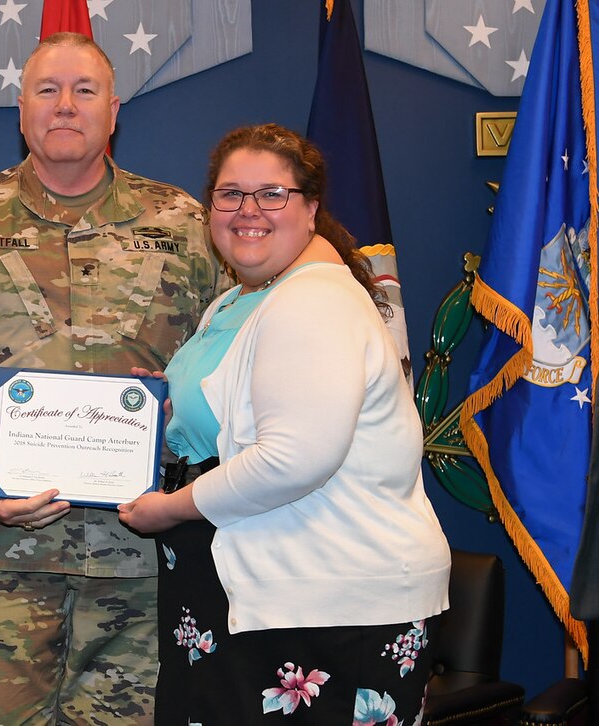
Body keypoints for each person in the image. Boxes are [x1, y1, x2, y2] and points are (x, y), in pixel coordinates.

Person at [0, 32, 226, 725]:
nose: (65, 105)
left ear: (114, 110)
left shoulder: (185, 226)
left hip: (142, 561)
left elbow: (234, 365)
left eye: (84, 90)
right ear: (21, 109)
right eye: (47, 90)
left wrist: (184, 417)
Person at [118, 123, 451, 724]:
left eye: (272, 193)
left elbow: (293, 459)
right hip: (255, 591)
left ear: (311, 209)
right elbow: (228, 416)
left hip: (326, 606)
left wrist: (167, 509)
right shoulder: (241, 299)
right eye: (229, 194)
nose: (249, 210)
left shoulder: (313, 301)